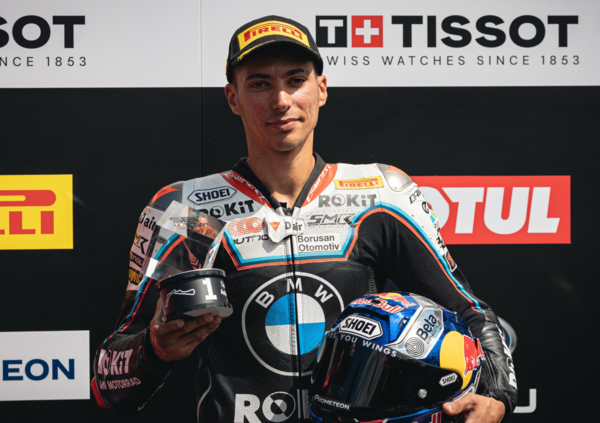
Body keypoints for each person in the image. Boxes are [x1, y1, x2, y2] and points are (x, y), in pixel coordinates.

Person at [93, 16, 517, 423]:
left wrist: (498, 396)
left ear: (321, 89)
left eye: (295, 80)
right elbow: (108, 384)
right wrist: (154, 349)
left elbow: (469, 311)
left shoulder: (383, 194)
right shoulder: (186, 210)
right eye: (260, 84)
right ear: (233, 98)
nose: (281, 101)